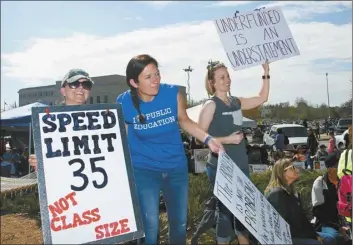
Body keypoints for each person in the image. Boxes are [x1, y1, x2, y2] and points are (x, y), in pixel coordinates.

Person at [116, 54, 223, 245]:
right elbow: (120, 136)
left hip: (175, 167)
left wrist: (208, 139)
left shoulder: (173, 94)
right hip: (144, 168)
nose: (155, 80)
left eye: (157, 74)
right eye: (148, 77)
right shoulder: (123, 103)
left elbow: (184, 121)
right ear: (134, 82)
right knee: (150, 226)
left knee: (179, 223)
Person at [195, 60, 270, 245]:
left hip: (241, 165)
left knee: (245, 210)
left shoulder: (236, 102)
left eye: (228, 76)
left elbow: (262, 98)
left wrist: (266, 72)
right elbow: (199, 137)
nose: (227, 80)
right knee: (226, 211)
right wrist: (227, 140)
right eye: (222, 77)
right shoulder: (210, 105)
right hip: (220, 166)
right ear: (212, 83)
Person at [29, 68, 94, 169]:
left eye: (86, 85)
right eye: (74, 84)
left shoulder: (100, 120)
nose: (80, 88)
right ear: (63, 91)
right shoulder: (48, 122)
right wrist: (38, 162)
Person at [265, 159, 337, 245]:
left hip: (299, 233)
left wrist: (314, 235)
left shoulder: (292, 193)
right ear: (282, 173)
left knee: (330, 239)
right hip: (286, 237)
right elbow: (282, 225)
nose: (297, 170)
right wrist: (309, 236)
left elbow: (303, 218)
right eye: (292, 168)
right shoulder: (277, 194)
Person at [312, 152, 346, 245]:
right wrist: (338, 227)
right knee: (337, 237)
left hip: (344, 221)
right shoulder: (320, 183)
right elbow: (317, 211)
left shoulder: (345, 181)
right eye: (338, 165)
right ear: (331, 169)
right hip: (326, 224)